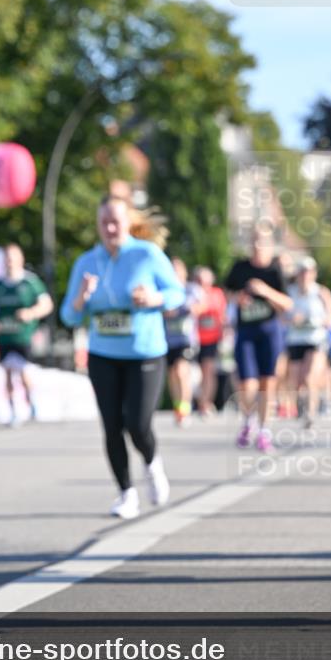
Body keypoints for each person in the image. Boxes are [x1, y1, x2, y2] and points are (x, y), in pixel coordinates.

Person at [60, 195, 185, 519]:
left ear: (128, 222)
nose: (110, 228)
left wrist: (154, 297)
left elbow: (177, 294)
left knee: (138, 423)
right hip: (103, 354)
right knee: (112, 425)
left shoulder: (147, 254)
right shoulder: (86, 262)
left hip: (145, 351)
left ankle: (152, 464)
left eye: (116, 221)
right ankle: (126, 493)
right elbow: (69, 317)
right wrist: (80, 299)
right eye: (104, 222)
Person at [223, 227, 293, 452]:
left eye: (262, 242)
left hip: (269, 332)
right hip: (246, 333)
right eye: (254, 241)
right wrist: (238, 298)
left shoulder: (275, 269)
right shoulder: (240, 268)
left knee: (268, 384)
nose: (257, 246)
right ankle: (249, 419)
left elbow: (287, 303)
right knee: (247, 385)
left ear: (270, 245)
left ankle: (264, 431)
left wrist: (265, 291)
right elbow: (225, 293)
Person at [0, 244, 53, 425]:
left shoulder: (30, 282)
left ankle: (32, 404)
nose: (10, 261)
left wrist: (31, 313)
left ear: (21, 259)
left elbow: (46, 304)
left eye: (13, 257)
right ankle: (13, 410)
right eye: (7, 258)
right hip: (4, 336)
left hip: (23, 337)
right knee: (6, 373)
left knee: (24, 371)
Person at [284, 257, 331, 428]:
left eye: (308, 272)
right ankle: (301, 405)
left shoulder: (321, 292)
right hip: (295, 340)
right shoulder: (289, 292)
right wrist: (292, 320)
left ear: (313, 273)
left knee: (310, 377)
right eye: (302, 271)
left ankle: (311, 412)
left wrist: (326, 321)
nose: (305, 275)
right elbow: (280, 317)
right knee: (297, 381)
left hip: (316, 339)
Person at [163, 258, 201, 427]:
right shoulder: (164, 290)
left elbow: (201, 305)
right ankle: (178, 407)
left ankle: (186, 407)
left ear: (184, 272)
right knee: (172, 374)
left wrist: (187, 309)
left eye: (177, 270)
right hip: (168, 339)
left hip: (186, 339)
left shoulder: (191, 289)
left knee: (181, 370)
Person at [192, 266, 227, 415]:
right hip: (193, 339)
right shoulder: (191, 292)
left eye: (205, 280)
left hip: (211, 339)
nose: (202, 284)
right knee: (194, 372)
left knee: (208, 370)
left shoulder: (216, 293)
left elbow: (219, 313)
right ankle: (195, 401)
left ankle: (205, 403)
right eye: (199, 280)